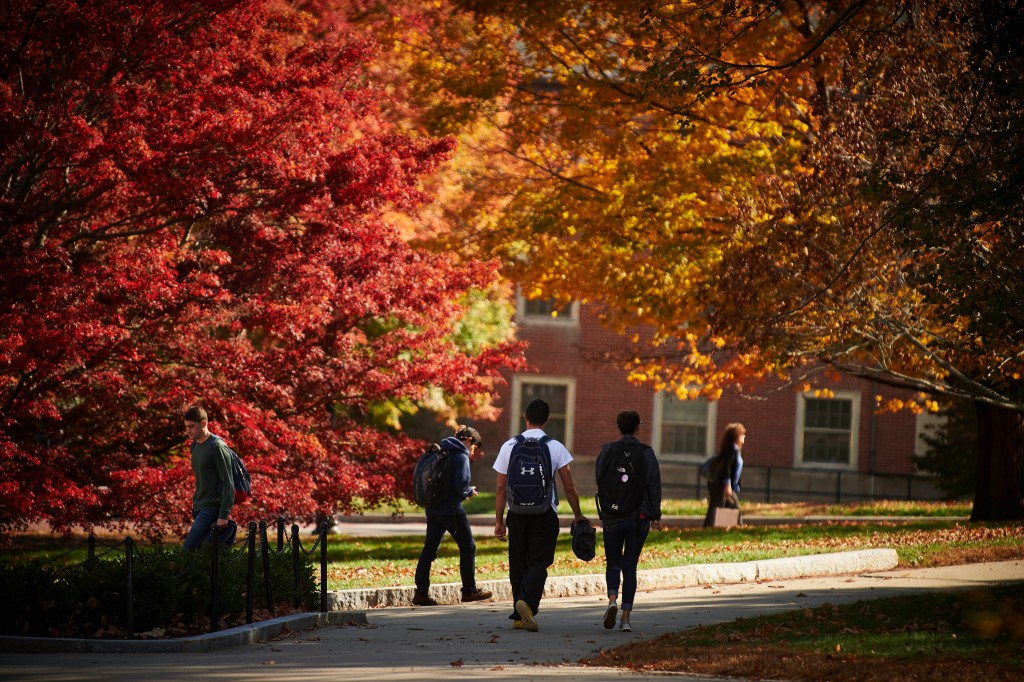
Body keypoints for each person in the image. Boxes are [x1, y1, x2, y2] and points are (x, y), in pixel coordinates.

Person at [493, 398, 588, 632]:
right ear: (546, 420)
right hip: (545, 514)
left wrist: (499, 520)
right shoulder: (555, 446)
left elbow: (500, 488)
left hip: (516, 514)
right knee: (539, 561)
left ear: (525, 417)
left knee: (518, 562)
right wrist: (577, 514)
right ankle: (527, 602)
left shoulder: (509, 446)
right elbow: (569, 486)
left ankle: (518, 615)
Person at [596, 410, 662, 633]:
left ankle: (612, 599)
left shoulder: (607, 450)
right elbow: (653, 485)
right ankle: (625, 618)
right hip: (638, 517)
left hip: (612, 517)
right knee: (630, 565)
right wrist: (655, 515)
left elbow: (600, 479)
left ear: (618, 426)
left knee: (613, 561)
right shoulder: (646, 453)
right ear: (638, 428)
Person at [413, 426, 493, 605]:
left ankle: (421, 593)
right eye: (474, 447)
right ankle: (469, 591)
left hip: (433, 509)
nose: (472, 452)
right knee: (468, 547)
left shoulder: (442, 452)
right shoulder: (460, 455)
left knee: (429, 549)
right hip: (451, 509)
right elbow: (461, 486)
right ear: (469, 441)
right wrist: (470, 492)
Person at [182, 405, 237, 549]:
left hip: (212, 508)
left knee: (188, 549)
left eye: (191, 426)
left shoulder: (217, 446)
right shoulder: (194, 446)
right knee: (204, 553)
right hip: (198, 507)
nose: (188, 431)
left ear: (204, 423)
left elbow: (228, 482)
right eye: (186, 427)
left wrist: (223, 515)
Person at [703, 422, 746, 529]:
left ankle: (731, 527)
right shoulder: (731, 449)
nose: (744, 436)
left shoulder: (734, 449)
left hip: (723, 484)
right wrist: (728, 485)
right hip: (721, 484)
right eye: (742, 434)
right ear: (736, 436)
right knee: (719, 507)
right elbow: (727, 467)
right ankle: (709, 528)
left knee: (729, 506)